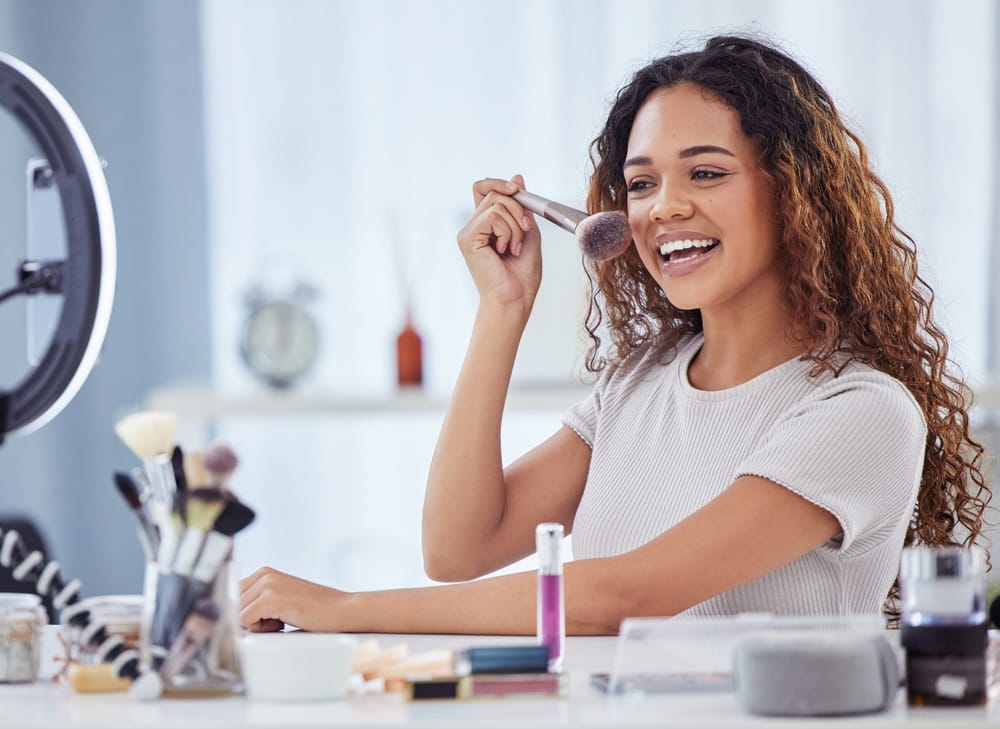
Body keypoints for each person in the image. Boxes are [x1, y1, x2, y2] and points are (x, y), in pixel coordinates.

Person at [239, 34, 990, 634]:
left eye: (705, 173)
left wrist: (344, 611)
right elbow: (458, 546)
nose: (663, 208)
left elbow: (625, 593)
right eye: (640, 183)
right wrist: (503, 311)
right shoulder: (638, 385)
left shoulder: (861, 411)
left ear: (793, 192)